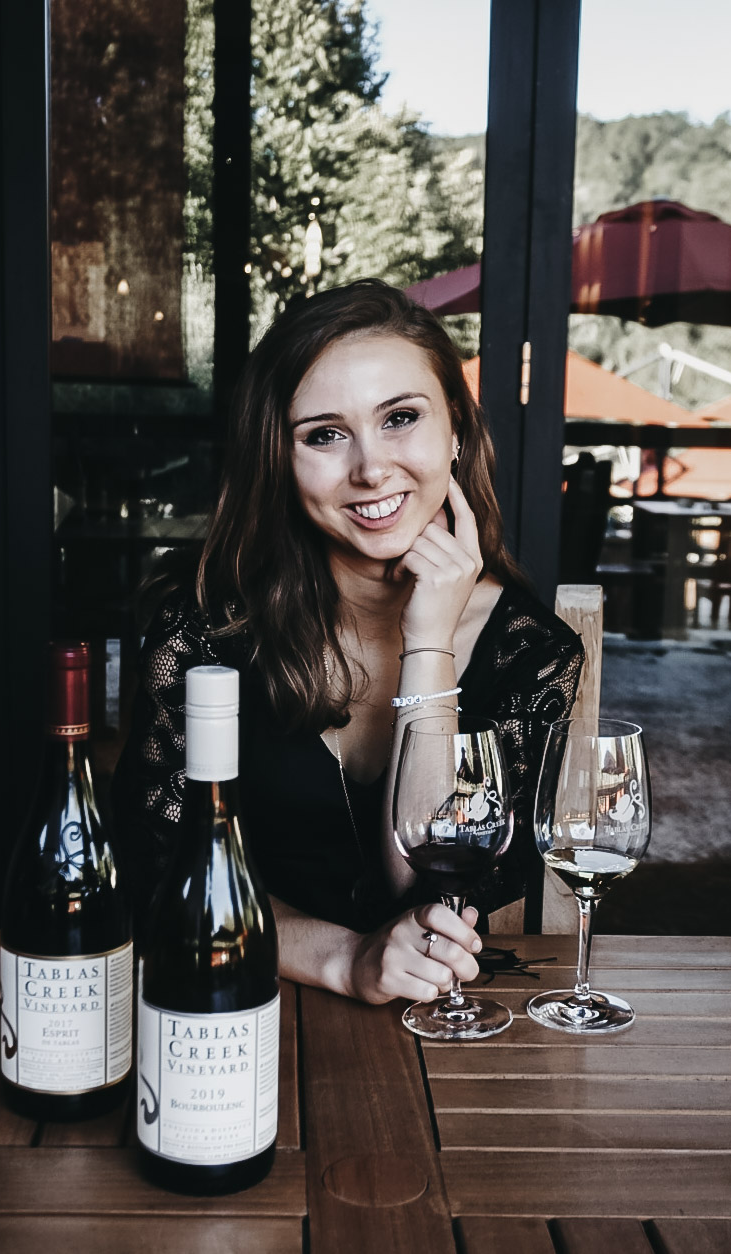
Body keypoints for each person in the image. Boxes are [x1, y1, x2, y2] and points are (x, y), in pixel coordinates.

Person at [112, 278, 583, 1005]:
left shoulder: (531, 651)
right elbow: (156, 882)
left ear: (456, 430)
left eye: (400, 417)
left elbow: (436, 885)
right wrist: (344, 957)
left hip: (437, 1034)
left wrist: (429, 642)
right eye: (324, 434)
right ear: (278, 456)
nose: (369, 467)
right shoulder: (204, 630)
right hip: (231, 1002)